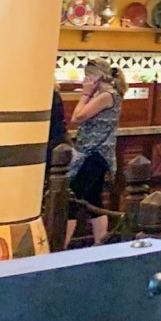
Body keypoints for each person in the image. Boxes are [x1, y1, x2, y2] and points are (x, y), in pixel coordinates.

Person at [65, 59, 126, 246]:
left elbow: (77, 117)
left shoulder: (107, 95)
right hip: (95, 154)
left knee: (73, 198)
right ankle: (100, 243)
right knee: (93, 199)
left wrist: (85, 94)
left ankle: (61, 244)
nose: (85, 81)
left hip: (94, 153)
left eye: (87, 77)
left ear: (96, 77)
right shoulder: (106, 94)